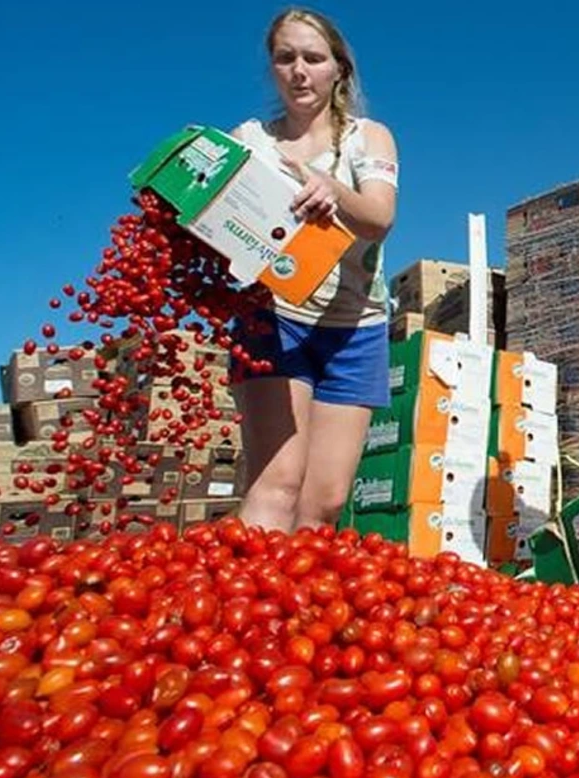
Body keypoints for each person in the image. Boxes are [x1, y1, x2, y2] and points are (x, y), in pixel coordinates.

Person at [229, 7, 398, 533]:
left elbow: (378, 217)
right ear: (273, 68)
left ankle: (297, 612)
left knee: (324, 502)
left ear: (337, 69)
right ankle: (245, 607)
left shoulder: (368, 138)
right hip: (274, 319)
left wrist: (333, 190)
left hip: (355, 329)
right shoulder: (249, 142)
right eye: (285, 58)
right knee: (277, 485)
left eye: (313, 57)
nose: (299, 70)